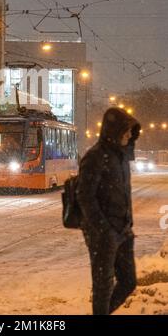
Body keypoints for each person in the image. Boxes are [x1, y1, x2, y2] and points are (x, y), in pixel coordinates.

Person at [76, 107, 141, 315]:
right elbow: (85, 197)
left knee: (129, 282)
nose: (130, 135)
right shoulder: (95, 157)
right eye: (126, 131)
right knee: (103, 288)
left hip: (122, 232)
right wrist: (104, 230)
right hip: (101, 234)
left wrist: (127, 225)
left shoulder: (121, 157)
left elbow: (124, 193)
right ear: (115, 131)